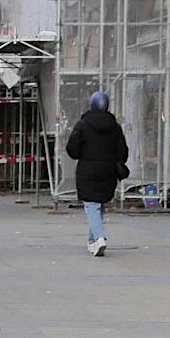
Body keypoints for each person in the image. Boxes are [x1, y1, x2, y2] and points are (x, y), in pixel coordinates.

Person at [65, 89, 129, 256]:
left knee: (91, 205)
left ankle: (99, 237)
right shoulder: (115, 127)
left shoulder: (83, 125)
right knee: (98, 204)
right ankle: (92, 241)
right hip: (108, 170)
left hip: (88, 169)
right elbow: (123, 151)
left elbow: (72, 149)